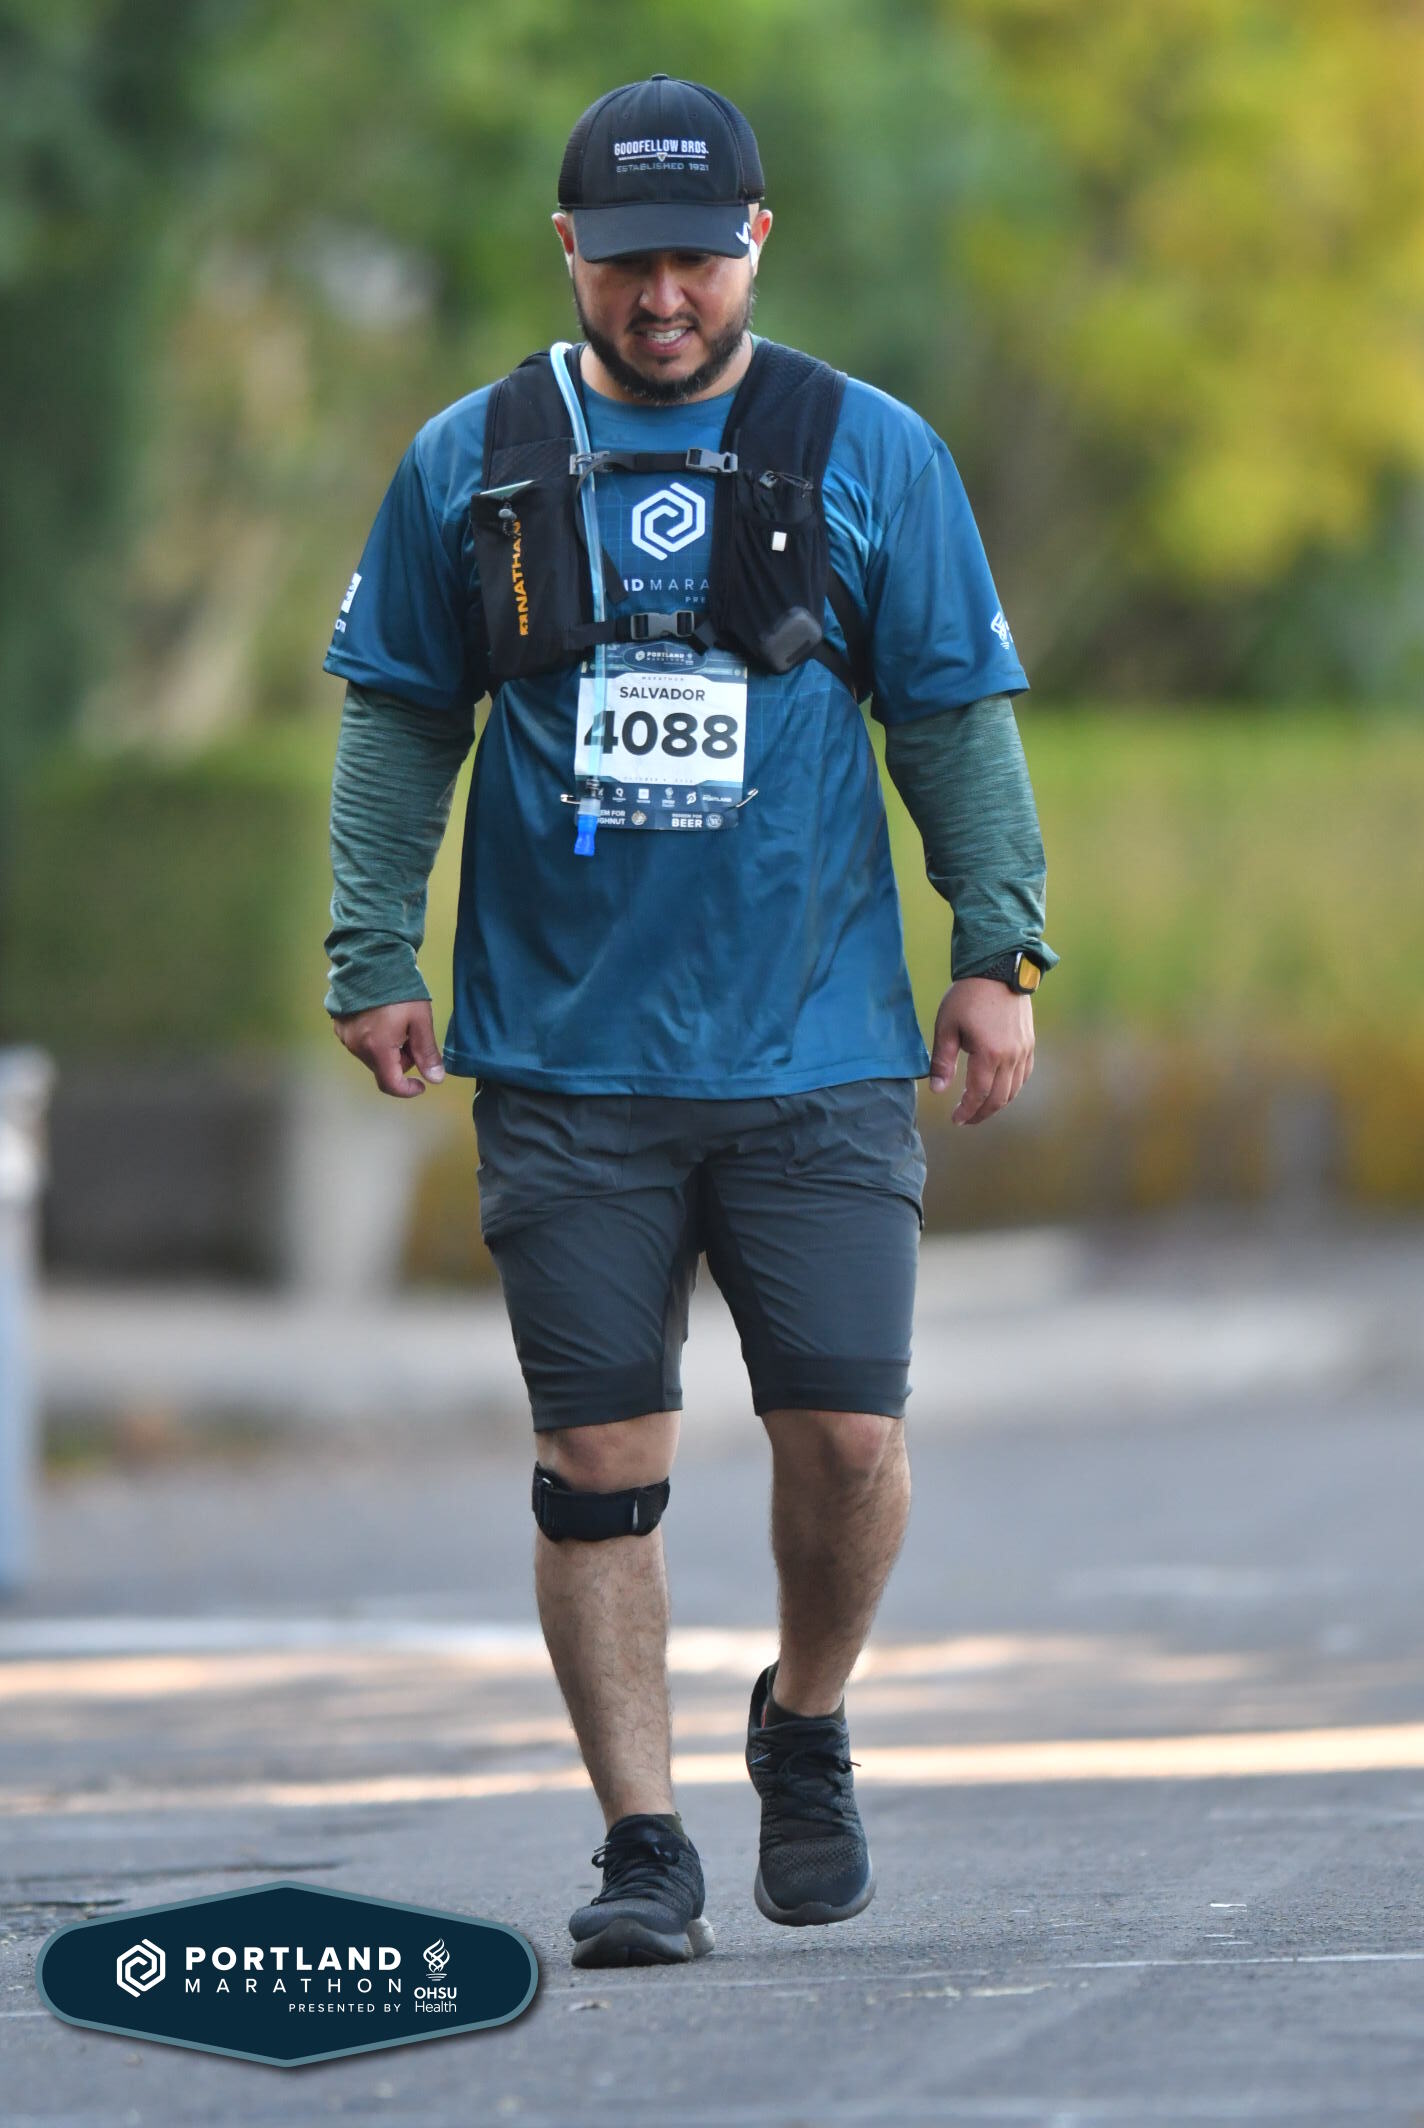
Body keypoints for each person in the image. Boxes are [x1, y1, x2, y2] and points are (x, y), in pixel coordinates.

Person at [321, 73, 1059, 1970]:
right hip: (564, 1063)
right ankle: (641, 1843)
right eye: (628, 262)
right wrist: (372, 949)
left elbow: (953, 718)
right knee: (601, 1467)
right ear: (570, 248)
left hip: (816, 1053)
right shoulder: (475, 459)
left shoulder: (869, 450)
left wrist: (999, 951)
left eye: (699, 261)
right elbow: (401, 717)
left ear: (757, 243)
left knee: (848, 1439)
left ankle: (803, 1717)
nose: (665, 298)